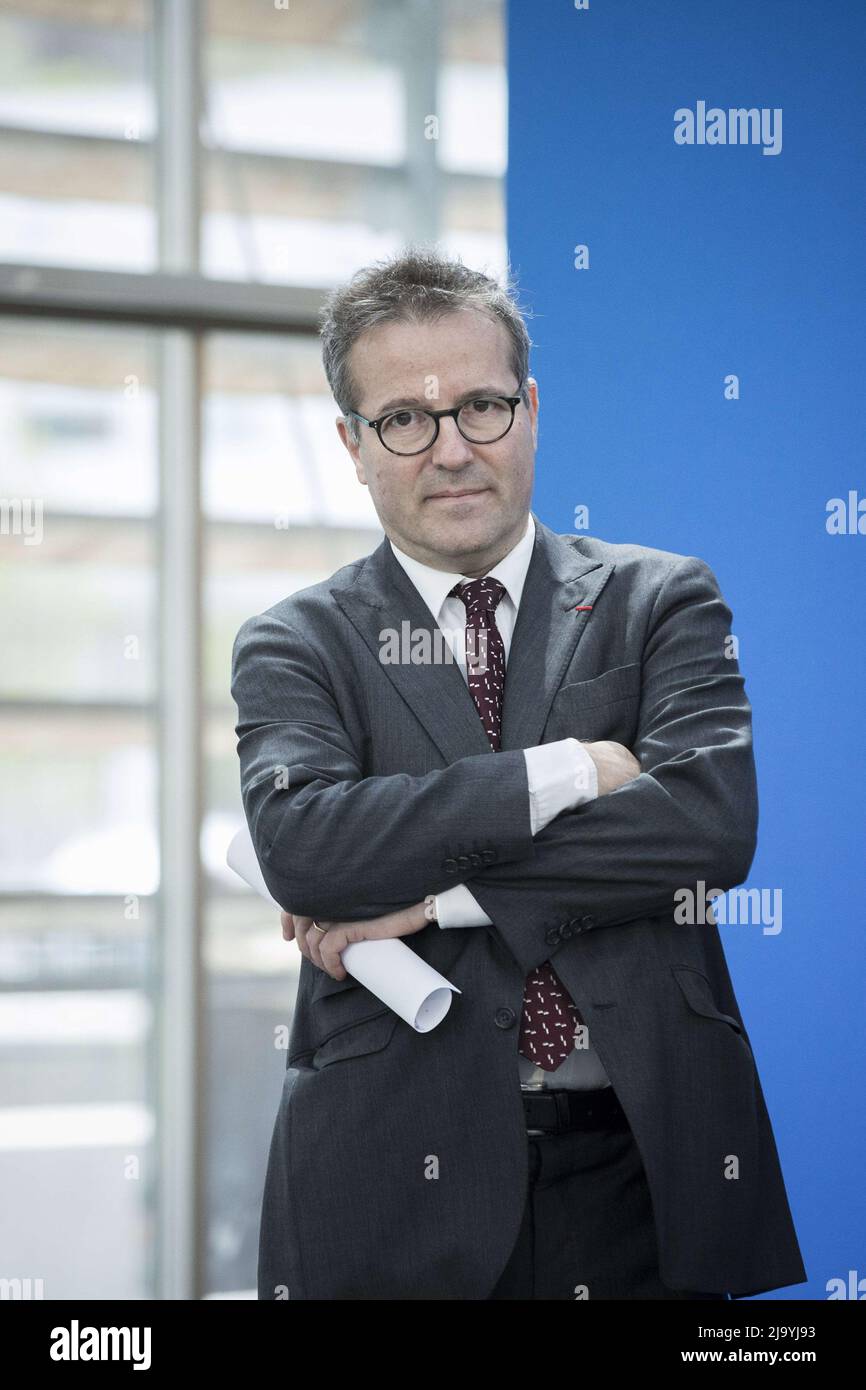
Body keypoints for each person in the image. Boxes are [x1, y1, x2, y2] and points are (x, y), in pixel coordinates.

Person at [231, 245, 807, 1300]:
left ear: (530, 408)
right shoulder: (296, 641)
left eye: (481, 408)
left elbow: (704, 826)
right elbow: (306, 849)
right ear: (352, 445)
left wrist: (434, 897)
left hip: (645, 1158)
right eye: (404, 418)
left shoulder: (658, 600)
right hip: (394, 1176)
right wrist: (570, 770)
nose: (449, 448)